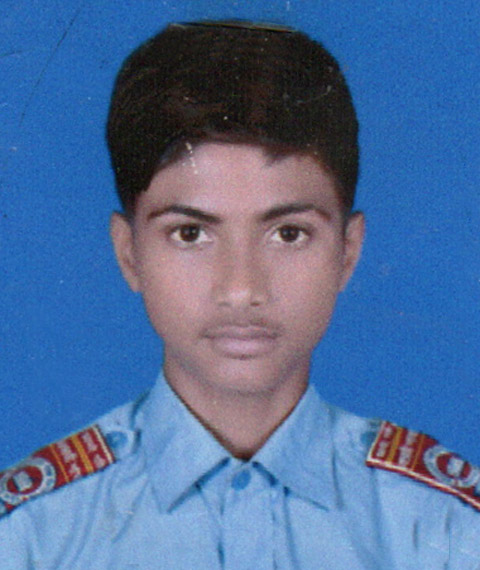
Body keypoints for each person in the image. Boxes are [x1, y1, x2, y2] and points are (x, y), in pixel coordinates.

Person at [1, 20, 479, 569]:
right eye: (190, 233)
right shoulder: (33, 536)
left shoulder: (443, 528)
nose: (241, 288)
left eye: (289, 234)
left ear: (347, 252)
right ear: (129, 253)